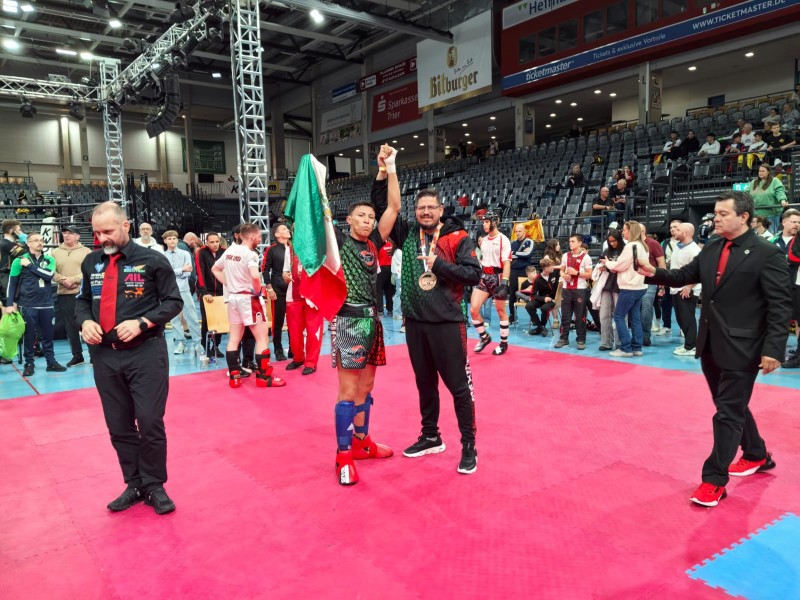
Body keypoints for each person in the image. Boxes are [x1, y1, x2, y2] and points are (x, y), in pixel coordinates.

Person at [640, 192, 791, 507]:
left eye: (723, 213)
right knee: (731, 406)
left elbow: (780, 306)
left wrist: (774, 349)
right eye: (715, 213)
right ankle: (756, 452)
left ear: (744, 217)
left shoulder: (767, 253)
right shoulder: (712, 247)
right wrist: (653, 273)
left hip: (744, 346)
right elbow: (684, 276)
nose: (715, 218)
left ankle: (713, 480)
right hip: (710, 342)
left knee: (727, 413)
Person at [75, 201, 183, 515]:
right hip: (105, 357)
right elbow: (82, 301)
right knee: (119, 425)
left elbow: (173, 302)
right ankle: (134, 483)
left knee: (149, 421)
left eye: (108, 231)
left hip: (145, 353)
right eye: (97, 233)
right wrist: (85, 322)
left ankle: (154, 485)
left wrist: (143, 322)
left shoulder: (153, 260)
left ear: (126, 226)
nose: (102, 238)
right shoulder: (91, 262)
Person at [376, 186, 481, 474]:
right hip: (415, 323)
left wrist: (440, 265)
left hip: (447, 324)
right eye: (421, 208)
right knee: (425, 384)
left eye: (430, 208)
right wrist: (386, 172)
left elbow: (474, 274)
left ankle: (469, 445)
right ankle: (431, 436)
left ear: (440, 210)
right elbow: (383, 207)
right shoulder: (409, 234)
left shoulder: (457, 237)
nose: (425, 212)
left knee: (459, 388)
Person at [330, 144, 401, 486]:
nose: (368, 220)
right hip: (348, 320)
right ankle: (343, 455)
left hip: (373, 321)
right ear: (349, 220)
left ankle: (361, 442)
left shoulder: (373, 241)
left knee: (367, 386)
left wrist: (391, 167)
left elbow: (394, 206)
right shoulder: (338, 243)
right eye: (361, 216)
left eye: (371, 217)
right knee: (348, 390)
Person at [211, 223, 285, 389]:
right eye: (259, 237)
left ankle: (234, 378)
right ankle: (264, 378)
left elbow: (215, 269)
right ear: (252, 237)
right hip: (249, 299)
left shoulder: (229, 251)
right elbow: (255, 276)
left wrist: (229, 284)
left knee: (234, 338)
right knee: (262, 338)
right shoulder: (250, 254)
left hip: (233, 299)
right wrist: (257, 291)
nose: (260, 240)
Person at [3, 232, 67, 375]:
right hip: (28, 305)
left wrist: (30, 266)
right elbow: (12, 284)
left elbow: (49, 276)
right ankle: (29, 364)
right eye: (36, 240)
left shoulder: (49, 259)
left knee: (48, 336)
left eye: (41, 240)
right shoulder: (19, 261)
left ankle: (51, 362)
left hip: (46, 304)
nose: (40, 243)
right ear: (28, 243)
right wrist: (9, 304)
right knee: (29, 336)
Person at [602, 221, 650, 358]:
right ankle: (637, 347)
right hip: (640, 286)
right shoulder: (643, 245)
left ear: (631, 231)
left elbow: (620, 266)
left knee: (618, 316)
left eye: (624, 230)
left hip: (629, 286)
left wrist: (608, 263)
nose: (622, 232)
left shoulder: (631, 246)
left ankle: (626, 348)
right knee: (635, 318)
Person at [470, 213, 513, 356]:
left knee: (501, 311)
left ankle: (504, 343)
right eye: (484, 222)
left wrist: (505, 283)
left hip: (498, 277)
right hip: (484, 277)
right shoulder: (483, 240)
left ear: (495, 222)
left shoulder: (503, 240)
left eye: (487, 222)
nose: (484, 224)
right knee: (473, 310)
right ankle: (484, 337)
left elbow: (507, 263)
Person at [51, 224, 91, 367]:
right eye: (64, 233)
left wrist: (74, 280)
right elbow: (51, 271)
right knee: (70, 326)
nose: (66, 235)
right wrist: (63, 280)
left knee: (88, 324)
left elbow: (89, 270)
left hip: (83, 294)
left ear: (77, 236)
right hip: (64, 294)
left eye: (70, 233)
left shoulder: (86, 251)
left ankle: (94, 355)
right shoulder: (55, 252)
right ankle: (77, 355)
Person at [162, 230, 204, 359]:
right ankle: (180, 342)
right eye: (169, 239)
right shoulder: (162, 256)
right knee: (174, 318)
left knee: (191, 317)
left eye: (174, 238)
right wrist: (181, 269)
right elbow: (165, 274)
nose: (172, 241)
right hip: (169, 290)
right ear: (165, 241)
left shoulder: (185, 253)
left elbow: (188, 272)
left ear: (177, 240)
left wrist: (175, 272)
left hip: (184, 289)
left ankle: (198, 343)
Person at [283, 241, 323, 376]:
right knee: (294, 331)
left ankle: (311, 362)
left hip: (313, 295)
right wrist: (286, 276)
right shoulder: (289, 250)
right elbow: (285, 272)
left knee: (313, 330)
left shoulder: (319, 248)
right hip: (294, 295)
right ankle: (298, 358)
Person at [554, 233, 592, 350]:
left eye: (573, 241)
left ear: (580, 243)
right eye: (570, 241)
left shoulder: (586, 257)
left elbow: (589, 274)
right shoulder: (565, 255)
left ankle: (581, 339)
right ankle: (563, 338)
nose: (570, 243)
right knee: (565, 315)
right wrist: (563, 275)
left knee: (580, 316)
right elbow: (561, 270)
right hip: (566, 289)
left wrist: (577, 273)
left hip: (580, 289)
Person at [669, 223, 701, 357]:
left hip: (687, 289)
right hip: (676, 288)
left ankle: (691, 346)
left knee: (687, 318)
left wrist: (689, 287)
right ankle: (689, 343)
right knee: (681, 318)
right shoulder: (678, 246)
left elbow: (699, 271)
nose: (674, 231)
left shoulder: (694, 250)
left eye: (678, 229)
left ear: (686, 233)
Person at [261, 224, 291, 361]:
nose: (287, 230)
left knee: (293, 321)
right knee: (278, 321)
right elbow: (265, 269)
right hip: (277, 289)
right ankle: (278, 349)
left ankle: (293, 348)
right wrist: (269, 289)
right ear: (277, 234)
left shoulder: (293, 248)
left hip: (292, 288)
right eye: (284, 229)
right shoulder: (271, 249)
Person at [195, 232, 225, 359]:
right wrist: (204, 292)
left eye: (217, 241)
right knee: (207, 321)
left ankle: (216, 346)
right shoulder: (201, 252)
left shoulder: (224, 252)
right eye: (212, 242)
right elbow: (200, 272)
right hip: (206, 292)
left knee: (220, 321)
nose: (215, 244)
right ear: (206, 243)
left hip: (221, 292)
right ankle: (205, 346)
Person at [594, 228, 624, 351]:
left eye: (614, 241)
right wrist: (602, 267)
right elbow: (601, 264)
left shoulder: (625, 250)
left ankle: (620, 342)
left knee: (620, 315)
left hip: (620, 286)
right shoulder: (607, 251)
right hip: (607, 285)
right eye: (610, 241)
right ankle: (606, 342)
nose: (612, 243)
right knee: (604, 315)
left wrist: (610, 264)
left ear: (619, 239)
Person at [750, 164, 788, 233]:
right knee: (756, 235)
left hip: (771, 214)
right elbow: (746, 194)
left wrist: (782, 200)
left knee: (771, 235)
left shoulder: (775, 181)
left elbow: (779, 191)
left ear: (768, 172)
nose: (760, 173)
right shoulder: (753, 182)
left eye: (763, 171)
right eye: (759, 171)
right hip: (756, 214)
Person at [508, 223, 534, 323]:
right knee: (512, 294)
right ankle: (512, 316)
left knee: (530, 294)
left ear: (524, 232)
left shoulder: (529, 242)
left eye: (520, 231)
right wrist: (521, 253)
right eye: (516, 231)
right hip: (514, 271)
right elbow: (509, 256)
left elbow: (528, 254)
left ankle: (533, 317)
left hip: (525, 271)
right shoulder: (512, 243)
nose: (518, 233)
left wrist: (514, 253)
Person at [525, 259, 558, 336]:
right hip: (542, 298)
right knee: (528, 306)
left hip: (552, 299)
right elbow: (533, 295)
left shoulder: (555, 273)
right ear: (546, 268)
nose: (553, 267)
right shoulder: (537, 279)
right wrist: (543, 299)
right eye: (551, 266)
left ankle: (540, 328)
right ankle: (541, 327)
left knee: (544, 308)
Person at [375, 238, 396, 317]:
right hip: (391, 269)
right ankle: (390, 310)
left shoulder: (378, 246)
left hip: (381, 269)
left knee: (379, 290)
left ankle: (380, 310)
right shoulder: (391, 245)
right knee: (389, 291)